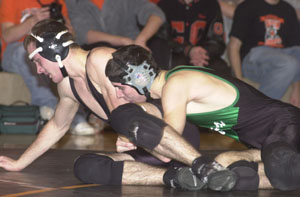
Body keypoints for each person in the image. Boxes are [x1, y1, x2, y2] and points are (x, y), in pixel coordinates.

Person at [0, 19, 238, 192]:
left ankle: (202, 165)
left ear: (54, 52)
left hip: (170, 132)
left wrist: (135, 134)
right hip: (139, 147)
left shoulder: (100, 58)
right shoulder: (67, 87)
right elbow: (58, 126)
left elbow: (148, 97)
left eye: (38, 62)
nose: (39, 70)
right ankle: (177, 177)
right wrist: (20, 162)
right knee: (84, 166)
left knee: (125, 116)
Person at [105, 44, 300, 191]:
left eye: (120, 88)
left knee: (279, 166)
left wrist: (136, 136)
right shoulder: (172, 88)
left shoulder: (176, 85)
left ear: (140, 79)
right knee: (224, 164)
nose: (119, 96)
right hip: (262, 142)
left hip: (284, 124)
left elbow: (166, 149)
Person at [0, 0, 95, 135]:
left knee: (66, 53)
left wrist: (63, 27)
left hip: (48, 49)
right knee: (28, 54)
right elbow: (7, 36)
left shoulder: (58, 2)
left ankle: (76, 114)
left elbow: (71, 36)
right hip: (15, 51)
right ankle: (55, 108)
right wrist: (33, 21)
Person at [227, 0, 300, 107]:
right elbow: (233, 46)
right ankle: (258, 109)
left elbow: (296, 51)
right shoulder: (247, 6)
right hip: (253, 60)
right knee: (289, 62)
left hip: (280, 61)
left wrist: (296, 89)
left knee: (292, 58)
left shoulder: (288, 10)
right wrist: (239, 84)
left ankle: (258, 108)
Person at [64, 0, 168, 68]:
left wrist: (141, 39)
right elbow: (84, 34)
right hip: (95, 57)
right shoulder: (73, 2)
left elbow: (156, 15)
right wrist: (125, 41)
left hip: (133, 54)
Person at [152, 0, 230, 74]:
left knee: (221, 69)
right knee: (174, 66)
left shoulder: (212, 4)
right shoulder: (164, 5)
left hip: (205, 57)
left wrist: (201, 54)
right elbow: (161, 39)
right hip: (174, 56)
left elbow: (217, 42)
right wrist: (188, 50)